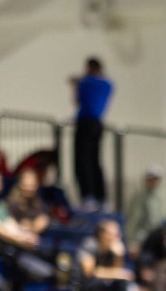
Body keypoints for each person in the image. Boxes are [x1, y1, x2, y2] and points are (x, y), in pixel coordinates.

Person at [71, 56, 113, 205]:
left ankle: (88, 195)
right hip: (98, 124)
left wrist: (76, 85)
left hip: (85, 123)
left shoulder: (85, 82)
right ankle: (101, 196)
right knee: (95, 160)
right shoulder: (107, 83)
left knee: (83, 161)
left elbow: (78, 100)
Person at [124, 167, 164, 249]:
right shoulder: (139, 197)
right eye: (152, 179)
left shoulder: (158, 198)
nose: (154, 182)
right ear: (146, 180)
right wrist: (132, 241)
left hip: (155, 240)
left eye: (156, 179)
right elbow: (134, 219)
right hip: (141, 240)